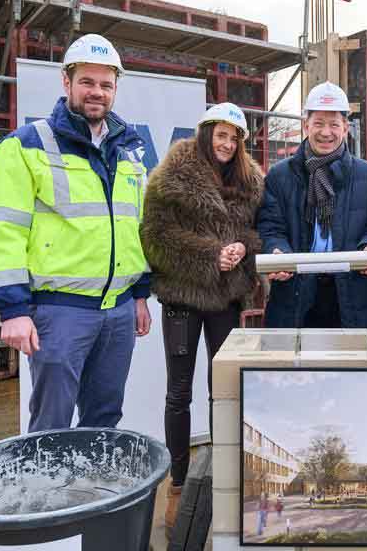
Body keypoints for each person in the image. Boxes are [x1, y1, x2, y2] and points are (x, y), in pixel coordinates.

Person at [0, 33, 152, 433]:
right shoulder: (25, 146)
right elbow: (5, 230)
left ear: (115, 89)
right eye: (87, 82)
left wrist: (141, 294)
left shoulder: (128, 152)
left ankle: (94, 494)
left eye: (105, 85)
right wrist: (13, 310)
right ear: (67, 82)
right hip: (60, 313)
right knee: (52, 425)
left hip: (118, 311)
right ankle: (47, 496)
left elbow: (135, 227)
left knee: (104, 420)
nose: (97, 92)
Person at [139, 102, 264, 533]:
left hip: (225, 300)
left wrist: (241, 248)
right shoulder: (172, 176)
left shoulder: (250, 182)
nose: (227, 144)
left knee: (222, 391)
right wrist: (212, 255)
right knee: (179, 392)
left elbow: (254, 231)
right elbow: (155, 236)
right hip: (183, 295)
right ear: (206, 132)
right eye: (221, 135)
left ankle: (223, 478)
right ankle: (177, 486)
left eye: (235, 137)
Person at [257, 81, 367, 328]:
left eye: (334, 124)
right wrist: (277, 250)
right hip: (295, 290)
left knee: (351, 365)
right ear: (305, 124)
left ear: (345, 127)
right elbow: (270, 226)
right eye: (318, 123)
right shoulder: (279, 176)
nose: (326, 132)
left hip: (351, 292)